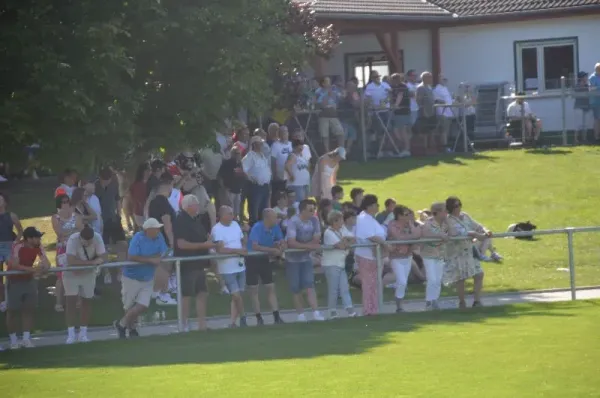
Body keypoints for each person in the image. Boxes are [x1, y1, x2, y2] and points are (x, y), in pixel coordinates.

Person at [114, 218, 169, 339]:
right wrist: (150, 259)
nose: (158, 230)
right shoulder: (138, 238)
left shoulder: (159, 237)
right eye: (156, 228)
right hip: (131, 277)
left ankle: (121, 324)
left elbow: (164, 252)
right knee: (128, 306)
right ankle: (132, 329)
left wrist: (152, 258)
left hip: (147, 277)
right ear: (148, 230)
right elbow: (132, 256)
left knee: (143, 305)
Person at [174, 194, 218, 332]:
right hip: (188, 263)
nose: (198, 207)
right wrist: (203, 245)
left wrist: (208, 241)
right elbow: (181, 244)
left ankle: (202, 325)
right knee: (186, 294)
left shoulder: (196, 220)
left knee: (202, 292)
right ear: (188, 206)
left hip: (200, 263)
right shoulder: (180, 220)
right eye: (196, 204)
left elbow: (203, 238)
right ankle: (184, 325)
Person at [6, 227, 51, 349]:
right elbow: (14, 265)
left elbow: (47, 262)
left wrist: (43, 267)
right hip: (15, 281)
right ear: (29, 239)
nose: (39, 239)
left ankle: (26, 339)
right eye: (37, 237)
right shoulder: (18, 246)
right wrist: (32, 270)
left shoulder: (38, 246)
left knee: (28, 310)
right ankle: (13, 340)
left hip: (29, 281)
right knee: (12, 311)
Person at [64, 225, 107, 344]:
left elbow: (103, 256)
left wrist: (89, 265)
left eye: (90, 240)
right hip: (71, 274)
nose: (88, 243)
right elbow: (71, 260)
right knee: (71, 302)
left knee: (87, 301)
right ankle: (71, 335)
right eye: (86, 241)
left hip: (88, 274)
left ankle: (83, 334)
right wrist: (92, 263)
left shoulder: (97, 238)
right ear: (81, 238)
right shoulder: (73, 239)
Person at [444, 196, 489, 308]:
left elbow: (478, 226)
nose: (458, 208)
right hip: (457, 253)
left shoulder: (465, 216)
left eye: (459, 204)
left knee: (479, 274)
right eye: (455, 206)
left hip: (469, 251)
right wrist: (474, 234)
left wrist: (486, 231)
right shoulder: (448, 220)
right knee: (461, 278)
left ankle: (477, 301)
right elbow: (457, 233)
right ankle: (462, 302)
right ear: (450, 208)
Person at [285, 199, 325, 322]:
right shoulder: (293, 222)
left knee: (309, 285)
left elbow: (317, 238)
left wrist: (306, 247)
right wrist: (309, 247)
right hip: (292, 260)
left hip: (306, 258)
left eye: (314, 210)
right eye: (310, 210)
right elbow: (291, 242)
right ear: (302, 210)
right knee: (296, 288)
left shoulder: (314, 220)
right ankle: (300, 314)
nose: (313, 212)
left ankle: (316, 312)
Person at [246, 208, 286, 325]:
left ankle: (276, 316)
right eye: (274, 217)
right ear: (267, 218)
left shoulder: (275, 227)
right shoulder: (257, 228)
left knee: (270, 287)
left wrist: (281, 245)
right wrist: (272, 250)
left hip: (265, 259)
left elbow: (282, 240)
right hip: (252, 259)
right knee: (254, 289)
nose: (277, 219)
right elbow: (255, 246)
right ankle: (259, 318)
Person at [212, 206, 248, 327]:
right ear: (222, 215)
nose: (232, 216)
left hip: (240, 265)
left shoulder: (235, 225)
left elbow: (242, 240)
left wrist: (243, 247)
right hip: (227, 267)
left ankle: (233, 322)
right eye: (229, 214)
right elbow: (220, 249)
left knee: (238, 296)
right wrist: (237, 251)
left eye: (232, 213)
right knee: (235, 294)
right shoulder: (217, 229)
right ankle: (243, 316)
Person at [354, 194, 388, 315]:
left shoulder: (371, 219)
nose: (378, 206)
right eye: (376, 204)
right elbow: (370, 236)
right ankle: (369, 310)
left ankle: (374, 308)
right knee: (369, 284)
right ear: (370, 206)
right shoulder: (363, 218)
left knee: (374, 284)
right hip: (367, 256)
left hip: (375, 256)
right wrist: (385, 244)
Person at [147, 177, 177, 305]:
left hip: (156, 238)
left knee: (161, 266)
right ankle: (162, 294)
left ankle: (157, 292)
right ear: (168, 185)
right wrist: (171, 241)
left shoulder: (153, 202)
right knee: (165, 267)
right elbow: (167, 223)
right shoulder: (163, 202)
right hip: (164, 240)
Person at [322, 210, 357, 319]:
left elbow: (353, 239)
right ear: (335, 221)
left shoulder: (342, 229)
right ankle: (332, 311)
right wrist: (345, 242)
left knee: (344, 287)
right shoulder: (328, 232)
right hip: (331, 264)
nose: (343, 221)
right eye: (341, 219)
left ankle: (350, 310)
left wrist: (345, 241)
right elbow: (340, 246)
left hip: (340, 264)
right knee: (333, 289)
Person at [95, 167, 127, 284]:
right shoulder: (95, 187)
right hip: (101, 221)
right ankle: (106, 272)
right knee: (104, 248)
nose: (107, 181)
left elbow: (117, 199)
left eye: (109, 179)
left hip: (114, 219)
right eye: (105, 180)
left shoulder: (114, 184)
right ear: (100, 178)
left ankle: (121, 271)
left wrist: (119, 214)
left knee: (122, 245)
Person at [387, 205, 421, 313]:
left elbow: (418, 234)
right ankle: (399, 306)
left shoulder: (409, 224)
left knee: (403, 282)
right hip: (396, 257)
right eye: (406, 214)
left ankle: (399, 306)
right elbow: (397, 238)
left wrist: (411, 227)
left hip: (408, 256)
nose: (408, 216)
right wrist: (411, 238)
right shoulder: (392, 224)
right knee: (401, 282)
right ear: (399, 215)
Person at [52, 193, 81, 313]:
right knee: (61, 276)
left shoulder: (76, 215)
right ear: (59, 204)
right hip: (62, 249)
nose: (66, 204)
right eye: (63, 202)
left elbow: (80, 228)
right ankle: (59, 302)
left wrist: (69, 233)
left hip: (76, 248)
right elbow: (59, 233)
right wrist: (72, 232)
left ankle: (79, 300)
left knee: (77, 274)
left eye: (67, 201)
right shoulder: (55, 217)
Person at [420, 202, 449, 310]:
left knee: (438, 279)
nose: (446, 213)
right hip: (428, 255)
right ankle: (429, 301)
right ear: (437, 212)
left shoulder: (446, 223)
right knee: (432, 279)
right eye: (444, 211)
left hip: (440, 254)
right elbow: (426, 234)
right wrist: (440, 235)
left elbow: (453, 233)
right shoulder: (428, 223)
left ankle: (435, 300)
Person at [0, 193, 23, 312]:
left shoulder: (11, 215)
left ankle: (12, 299)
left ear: (5, 202)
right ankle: (2, 301)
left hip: (9, 245)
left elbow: (20, 230)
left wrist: (16, 242)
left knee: (12, 274)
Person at [242, 136, 272, 225]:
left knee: (264, 211)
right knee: (254, 211)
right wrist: (251, 178)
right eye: (260, 143)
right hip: (255, 187)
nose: (262, 145)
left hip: (265, 186)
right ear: (255, 144)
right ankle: (253, 230)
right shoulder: (250, 155)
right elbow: (243, 169)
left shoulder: (263, 156)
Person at [315, 77, 344, 153]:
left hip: (333, 115)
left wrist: (341, 91)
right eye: (327, 82)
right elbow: (321, 104)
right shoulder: (319, 91)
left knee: (340, 132)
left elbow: (341, 98)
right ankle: (327, 152)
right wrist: (328, 95)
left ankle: (341, 151)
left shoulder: (334, 91)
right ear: (323, 83)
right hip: (323, 115)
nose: (329, 84)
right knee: (325, 135)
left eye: (329, 82)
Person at [218, 145, 246, 220]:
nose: (238, 155)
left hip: (238, 190)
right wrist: (224, 189)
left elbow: (242, 176)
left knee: (236, 211)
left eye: (239, 153)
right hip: (229, 190)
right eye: (236, 153)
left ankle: (236, 222)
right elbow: (220, 176)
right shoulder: (226, 163)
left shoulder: (240, 164)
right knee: (229, 209)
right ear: (232, 154)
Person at [390, 73, 412, 157]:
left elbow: (400, 96)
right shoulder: (394, 87)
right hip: (397, 112)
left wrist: (396, 105)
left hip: (403, 111)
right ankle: (402, 147)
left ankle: (406, 149)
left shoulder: (402, 86)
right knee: (396, 131)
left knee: (402, 131)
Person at [130, 162, 151, 230]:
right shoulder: (138, 185)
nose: (149, 172)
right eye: (147, 170)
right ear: (142, 171)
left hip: (145, 214)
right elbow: (140, 202)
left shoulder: (148, 183)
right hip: (141, 215)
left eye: (150, 170)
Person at [590, 63, 600, 142]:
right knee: (597, 119)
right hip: (596, 102)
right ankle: (596, 137)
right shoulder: (593, 77)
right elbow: (591, 89)